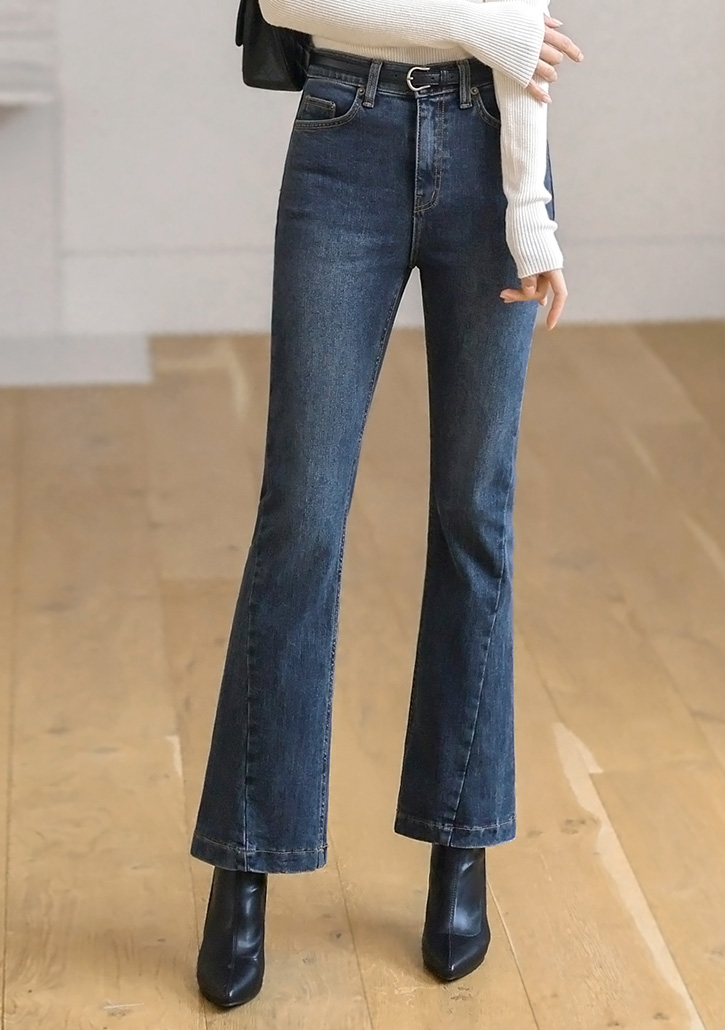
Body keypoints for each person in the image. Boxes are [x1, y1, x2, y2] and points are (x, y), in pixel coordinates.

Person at [190, 0, 584, 1008]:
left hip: (495, 148)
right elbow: (290, 0)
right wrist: (485, 28)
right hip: (344, 137)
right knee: (302, 515)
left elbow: (525, 26)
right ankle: (247, 856)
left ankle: (460, 841)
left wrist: (529, 210)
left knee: (474, 513)